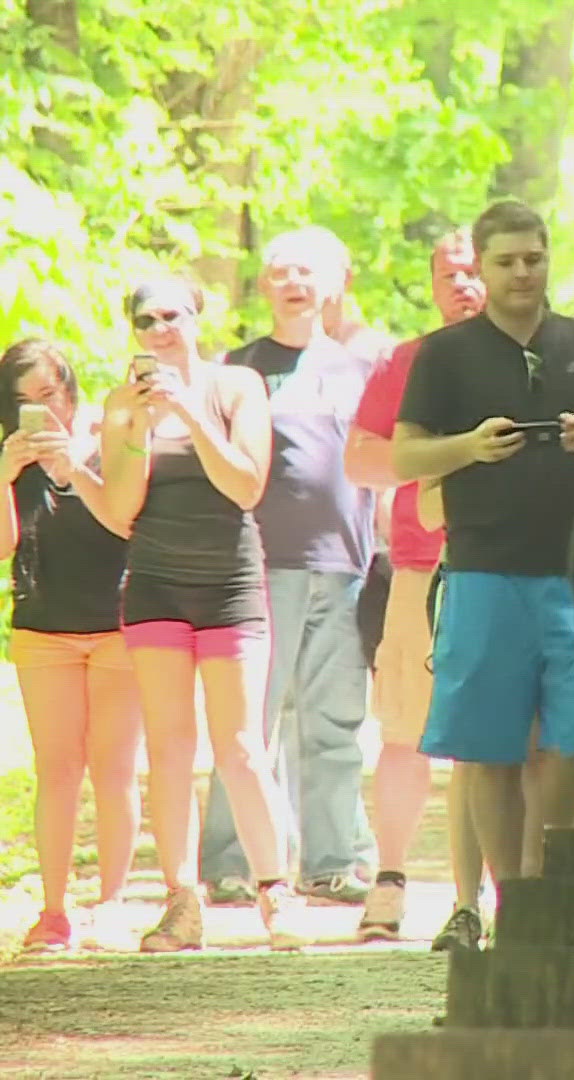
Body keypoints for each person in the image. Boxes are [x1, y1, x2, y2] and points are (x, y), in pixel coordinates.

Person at [392, 200, 574, 890]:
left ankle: (546, 874)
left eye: (534, 258)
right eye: (506, 262)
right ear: (482, 266)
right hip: (483, 574)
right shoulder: (444, 354)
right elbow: (405, 457)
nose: (522, 273)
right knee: (488, 747)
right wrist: (468, 446)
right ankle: (513, 896)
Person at [100, 277, 299, 951]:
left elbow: (246, 483)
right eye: (145, 319)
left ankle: (277, 894)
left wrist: (187, 414)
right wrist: (129, 428)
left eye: (171, 315)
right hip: (155, 584)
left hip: (229, 585)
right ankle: (182, 901)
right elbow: (123, 509)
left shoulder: (238, 386)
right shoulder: (122, 407)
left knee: (241, 747)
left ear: (196, 318)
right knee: (170, 747)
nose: (159, 329)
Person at [199, 226, 378, 909]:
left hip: (344, 566)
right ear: (265, 285)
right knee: (251, 723)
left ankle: (331, 862)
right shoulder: (235, 367)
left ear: (334, 283)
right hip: (256, 566)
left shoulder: (363, 370)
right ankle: (231, 862)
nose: (294, 282)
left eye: (308, 271)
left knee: (333, 723)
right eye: (280, 271)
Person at [346, 227, 509, 947]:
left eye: (477, 270)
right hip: (422, 569)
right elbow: (360, 461)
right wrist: (449, 453)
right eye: (451, 274)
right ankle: (390, 880)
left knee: (503, 741)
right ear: (434, 285)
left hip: (514, 567)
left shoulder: (545, 356)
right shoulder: (406, 362)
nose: (464, 284)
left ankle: (509, 893)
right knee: (406, 734)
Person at [2, 340, 140, 953]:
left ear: (71, 389)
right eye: (24, 401)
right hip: (43, 627)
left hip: (118, 623)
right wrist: (6, 476)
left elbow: (125, 520)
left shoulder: (109, 440)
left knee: (113, 770)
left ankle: (112, 904)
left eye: (49, 395)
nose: (40, 411)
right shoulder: (10, 457)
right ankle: (54, 912)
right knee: (57, 770)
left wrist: (70, 469)